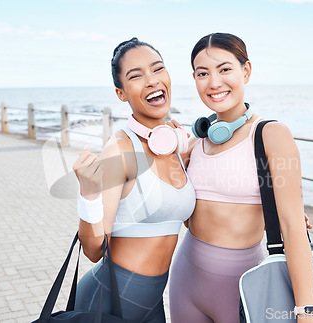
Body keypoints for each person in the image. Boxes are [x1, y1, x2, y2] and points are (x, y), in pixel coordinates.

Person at [168, 33, 313, 323]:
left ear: (246, 70)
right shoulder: (195, 142)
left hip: (244, 286)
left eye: (225, 69)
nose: (214, 82)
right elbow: (182, 213)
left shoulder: (270, 135)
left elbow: (293, 228)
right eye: (203, 73)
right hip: (185, 280)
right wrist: (171, 158)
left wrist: (307, 312)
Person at [72, 37, 196, 322]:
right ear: (121, 93)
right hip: (108, 300)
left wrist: (274, 212)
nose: (151, 80)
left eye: (158, 69)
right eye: (136, 76)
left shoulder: (177, 147)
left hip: (152, 302)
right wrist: (88, 195)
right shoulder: (120, 148)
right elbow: (93, 251)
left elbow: (192, 221)